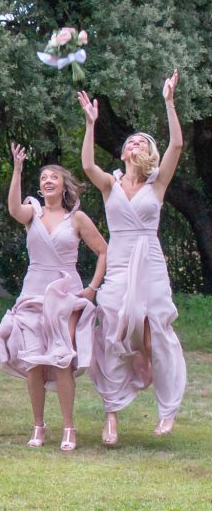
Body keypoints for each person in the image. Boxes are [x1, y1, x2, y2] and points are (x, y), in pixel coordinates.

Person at [78, 70, 187, 444]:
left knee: (155, 335)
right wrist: (91, 124)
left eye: (141, 141)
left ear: (148, 152)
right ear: (124, 152)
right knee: (110, 331)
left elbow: (176, 146)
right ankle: (111, 416)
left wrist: (169, 102)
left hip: (150, 261)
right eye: (130, 141)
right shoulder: (110, 184)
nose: (134, 144)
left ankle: (167, 411)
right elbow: (88, 166)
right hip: (121, 261)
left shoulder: (157, 183)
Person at [0, 145, 107, 451]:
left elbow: (102, 251)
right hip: (32, 292)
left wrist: (92, 287)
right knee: (33, 361)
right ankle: (38, 426)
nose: (47, 180)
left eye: (53, 176)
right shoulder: (33, 212)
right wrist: (17, 171)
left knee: (61, 360)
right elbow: (14, 210)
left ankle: (69, 428)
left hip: (65, 293)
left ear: (63, 185)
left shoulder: (78, 218)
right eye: (43, 177)